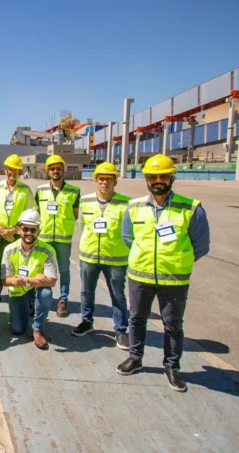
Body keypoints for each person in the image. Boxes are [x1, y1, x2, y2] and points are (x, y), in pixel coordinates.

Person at [116, 155, 210, 392]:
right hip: (140, 276)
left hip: (174, 279)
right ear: (146, 179)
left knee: (173, 325)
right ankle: (135, 358)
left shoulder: (191, 209)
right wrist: (146, 259)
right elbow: (127, 237)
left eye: (163, 176)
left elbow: (201, 246)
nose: (158, 180)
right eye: (153, 176)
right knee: (137, 319)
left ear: (172, 177)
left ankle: (172, 366)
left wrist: (176, 262)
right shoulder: (134, 207)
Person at [73, 162, 130, 350]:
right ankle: (87, 321)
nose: (104, 183)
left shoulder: (126, 204)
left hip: (115, 258)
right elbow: (83, 225)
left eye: (108, 179)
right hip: (89, 255)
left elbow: (129, 232)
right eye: (101, 179)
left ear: (115, 181)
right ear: (96, 181)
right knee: (86, 292)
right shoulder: (85, 201)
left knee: (118, 295)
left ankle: (120, 330)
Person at [2, 209, 58, 349]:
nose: (29, 233)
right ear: (18, 229)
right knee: (17, 330)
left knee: (46, 293)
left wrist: (26, 280)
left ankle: (37, 329)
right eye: (25, 229)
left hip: (35, 289)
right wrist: (15, 281)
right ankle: (28, 307)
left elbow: (52, 281)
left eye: (33, 230)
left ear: (38, 232)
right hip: (18, 291)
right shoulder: (9, 250)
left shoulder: (48, 250)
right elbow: (5, 280)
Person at [35, 154, 80, 317]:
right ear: (47, 171)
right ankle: (40, 297)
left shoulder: (74, 191)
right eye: (52, 169)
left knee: (64, 270)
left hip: (63, 239)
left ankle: (63, 299)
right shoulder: (40, 190)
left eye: (58, 168)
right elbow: (37, 213)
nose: (55, 171)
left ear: (63, 170)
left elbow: (75, 214)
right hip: (44, 238)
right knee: (41, 269)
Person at [0, 154, 37, 257]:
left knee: (16, 262)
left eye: (16, 170)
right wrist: (2, 230)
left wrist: (13, 230)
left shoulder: (25, 189)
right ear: (5, 170)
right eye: (10, 169)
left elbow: (31, 212)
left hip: (17, 234)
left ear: (20, 172)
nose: (13, 172)